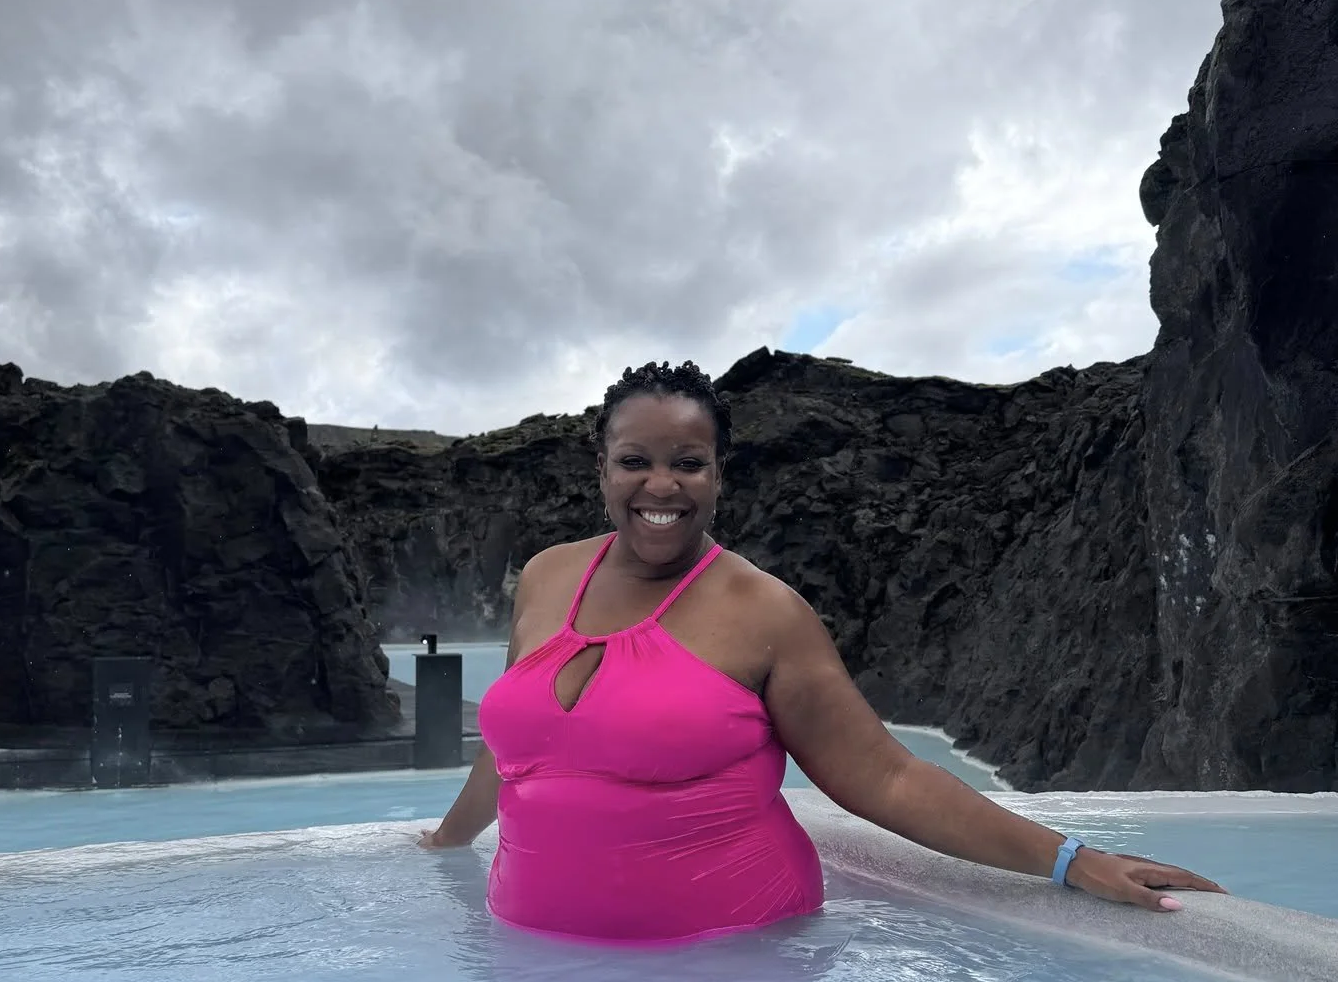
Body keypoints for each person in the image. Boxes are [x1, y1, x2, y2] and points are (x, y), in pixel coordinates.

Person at [420, 360, 1222, 940]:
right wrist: (447, 843)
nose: (661, 486)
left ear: (719, 476)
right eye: (636, 461)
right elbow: (518, 748)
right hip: (536, 967)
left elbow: (886, 775)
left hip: (734, 966)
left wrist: (1072, 860)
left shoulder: (763, 611)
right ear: (601, 468)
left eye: (688, 464)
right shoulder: (548, 576)